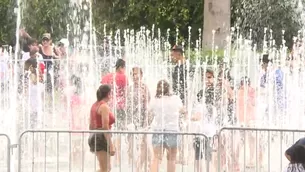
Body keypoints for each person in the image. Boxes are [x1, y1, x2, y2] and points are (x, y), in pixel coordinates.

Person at [149, 80, 183, 172]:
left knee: (156, 158)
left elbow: (149, 115)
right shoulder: (175, 99)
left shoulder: (155, 100)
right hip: (172, 131)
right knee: (172, 159)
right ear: (169, 88)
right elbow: (183, 111)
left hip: (158, 130)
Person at [101, 58, 128, 165]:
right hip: (120, 108)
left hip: (108, 108)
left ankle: (108, 158)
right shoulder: (124, 77)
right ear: (121, 67)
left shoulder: (106, 77)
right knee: (119, 132)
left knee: (108, 132)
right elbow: (126, 92)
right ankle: (117, 158)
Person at [170, 45, 194, 164]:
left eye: (173, 54)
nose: (171, 56)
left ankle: (185, 154)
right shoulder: (176, 67)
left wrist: (188, 103)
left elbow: (190, 86)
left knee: (184, 126)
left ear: (178, 53)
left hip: (184, 100)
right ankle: (180, 154)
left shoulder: (187, 66)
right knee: (178, 126)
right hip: (177, 100)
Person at [126, 67, 151, 171]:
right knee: (130, 141)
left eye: (137, 74)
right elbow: (127, 105)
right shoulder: (130, 88)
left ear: (141, 75)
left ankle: (146, 164)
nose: (135, 76)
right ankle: (131, 164)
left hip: (142, 117)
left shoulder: (144, 87)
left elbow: (147, 104)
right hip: (132, 117)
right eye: (133, 74)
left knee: (143, 141)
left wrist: (146, 120)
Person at [88, 85, 116, 172]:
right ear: (108, 94)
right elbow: (105, 127)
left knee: (106, 168)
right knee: (105, 169)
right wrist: (111, 145)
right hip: (101, 137)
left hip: (95, 136)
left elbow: (91, 125)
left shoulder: (94, 105)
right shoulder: (104, 107)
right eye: (111, 93)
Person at [24, 58, 44, 129]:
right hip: (34, 106)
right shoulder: (33, 76)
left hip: (33, 106)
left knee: (32, 124)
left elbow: (26, 93)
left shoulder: (31, 76)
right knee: (34, 123)